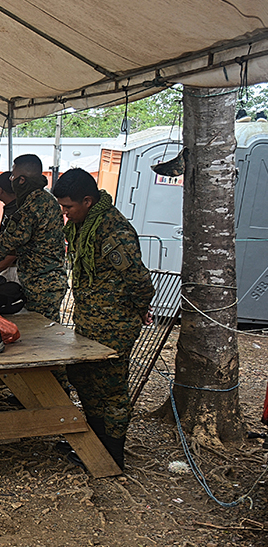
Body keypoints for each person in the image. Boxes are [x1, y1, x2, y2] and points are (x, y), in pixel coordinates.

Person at [52, 168, 155, 469]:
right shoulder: (84, 225)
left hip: (114, 325)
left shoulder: (113, 231)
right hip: (90, 321)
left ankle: (112, 455)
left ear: (87, 201)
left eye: (68, 207)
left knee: (110, 390)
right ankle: (93, 443)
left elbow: (139, 281)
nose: (65, 213)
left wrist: (140, 308)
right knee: (84, 379)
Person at [0, 155, 66, 321]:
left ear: (22, 180)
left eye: (13, 176)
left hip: (41, 286)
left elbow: (4, 247)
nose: (11, 180)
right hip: (48, 283)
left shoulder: (32, 206)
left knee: (40, 334)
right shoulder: (47, 200)